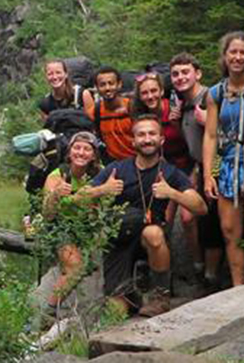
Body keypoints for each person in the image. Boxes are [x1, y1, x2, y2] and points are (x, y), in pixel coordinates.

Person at [80, 115, 207, 317]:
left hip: (147, 236)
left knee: (154, 234)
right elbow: (80, 197)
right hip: (118, 241)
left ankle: (160, 296)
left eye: (152, 134)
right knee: (116, 314)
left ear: (161, 140)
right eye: (141, 134)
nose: (147, 139)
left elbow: (200, 207)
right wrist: (102, 189)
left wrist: (172, 193)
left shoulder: (170, 172)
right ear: (133, 141)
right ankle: (132, 295)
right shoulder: (117, 168)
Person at [203, 32, 244, 286]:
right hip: (229, 160)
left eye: (243, 52)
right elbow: (210, 135)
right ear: (224, 56)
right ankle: (237, 287)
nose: (238, 57)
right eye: (233, 52)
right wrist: (210, 173)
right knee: (230, 230)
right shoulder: (215, 93)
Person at [168, 53, 223, 291]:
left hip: (219, 166)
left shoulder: (208, 97)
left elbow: (228, 132)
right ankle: (199, 267)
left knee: (211, 220)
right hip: (198, 166)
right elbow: (190, 142)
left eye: (185, 72)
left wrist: (209, 121)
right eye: (175, 74)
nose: (180, 78)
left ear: (197, 73)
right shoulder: (183, 103)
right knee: (189, 216)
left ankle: (211, 276)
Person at [40, 131, 103, 309]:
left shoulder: (99, 173)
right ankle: (50, 311)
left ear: (94, 155)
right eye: (77, 148)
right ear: (69, 152)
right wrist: (55, 196)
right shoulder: (57, 175)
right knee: (75, 266)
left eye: (87, 149)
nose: (81, 153)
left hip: (86, 227)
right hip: (58, 227)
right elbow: (47, 214)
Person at [88, 67, 134, 162]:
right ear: (97, 88)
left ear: (119, 84)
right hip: (112, 163)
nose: (107, 88)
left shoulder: (132, 107)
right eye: (102, 85)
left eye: (111, 83)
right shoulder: (95, 112)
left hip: (137, 159)